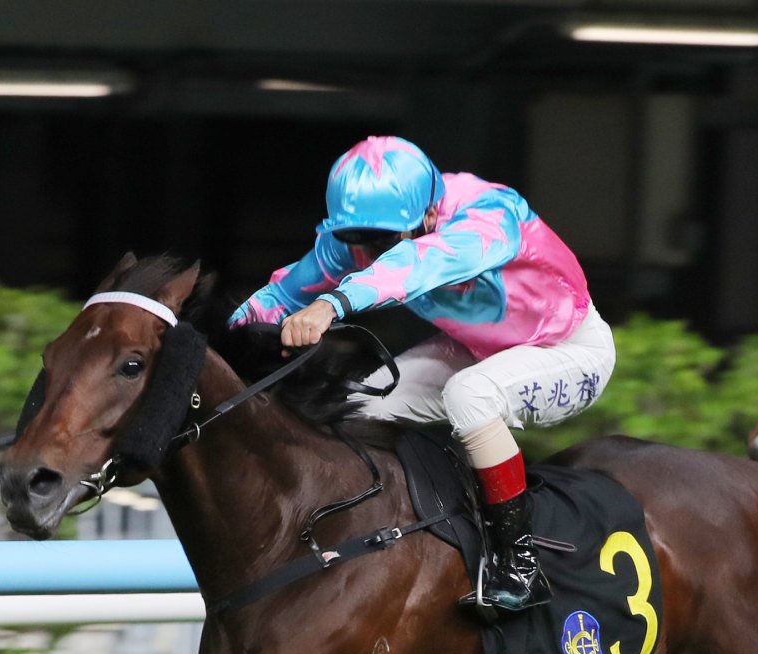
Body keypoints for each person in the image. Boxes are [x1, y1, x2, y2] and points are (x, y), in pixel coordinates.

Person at [231, 135, 613, 610]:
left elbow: (414, 265)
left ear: (430, 215)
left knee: (469, 395)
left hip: (568, 347)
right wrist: (212, 334)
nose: (366, 253)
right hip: (478, 347)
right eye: (354, 240)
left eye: (382, 241)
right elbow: (282, 296)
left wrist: (334, 303)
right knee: (362, 402)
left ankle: (520, 565)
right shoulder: (365, 236)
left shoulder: (488, 213)